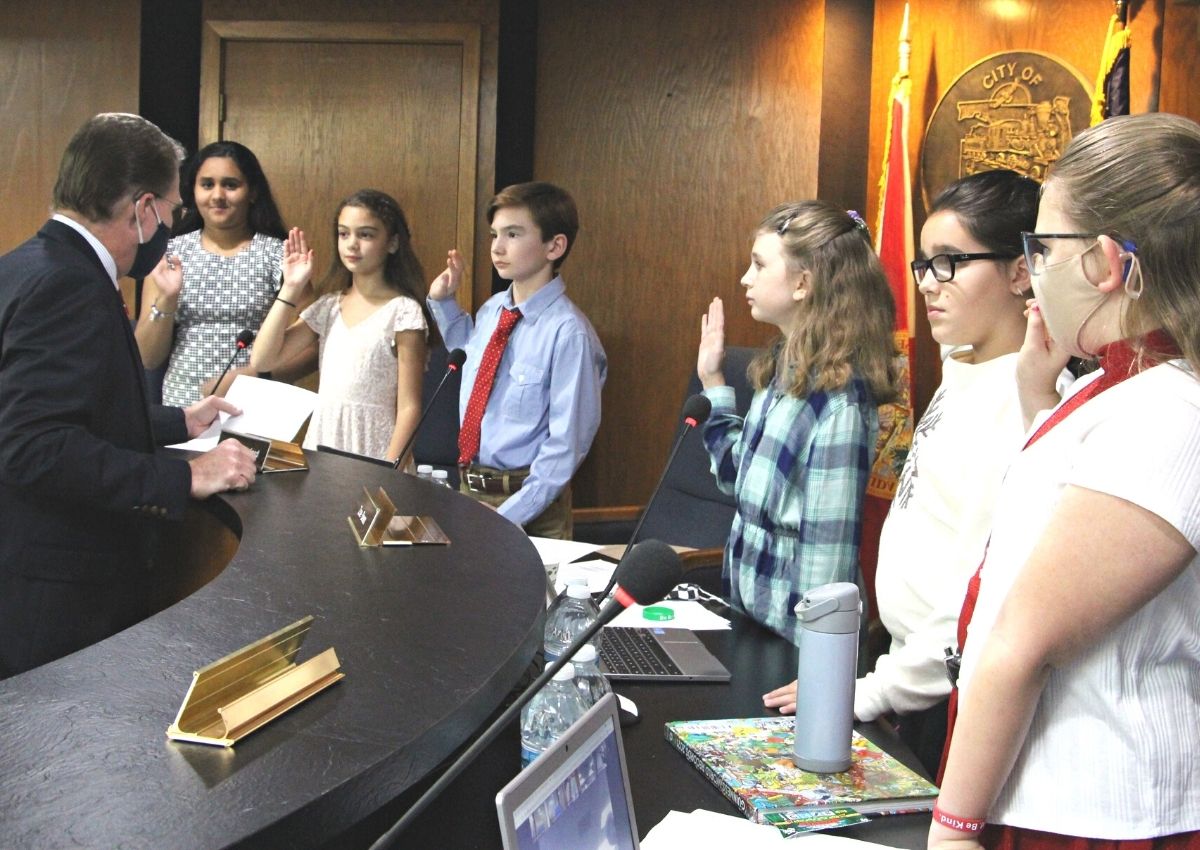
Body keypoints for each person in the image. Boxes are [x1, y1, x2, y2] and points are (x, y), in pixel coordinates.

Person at [931, 113, 1200, 850]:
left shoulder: (1169, 408)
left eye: (1042, 248)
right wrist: (1037, 392)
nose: (1033, 270)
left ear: (1105, 263)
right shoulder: (1113, 384)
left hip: (1096, 808)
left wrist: (952, 830)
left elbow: (1025, 641)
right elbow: (1053, 520)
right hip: (1042, 789)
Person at [761, 171, 1045, 774]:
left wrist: (872, 692)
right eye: (923, 264)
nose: (927, 285)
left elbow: (980, 598)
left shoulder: (1023, 403)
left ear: (1021, 271)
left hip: (944, 694)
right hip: (906, 673)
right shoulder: (965, 363)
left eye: (951, 262)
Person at [0, 113, 259, 679]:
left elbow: (65, 409)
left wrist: (177, 422)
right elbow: (35, 446)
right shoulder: (70, 284)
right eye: (170, 210)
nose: (170, 225)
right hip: (56, 593)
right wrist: (183, 477)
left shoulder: (24, 265)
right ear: (143, 210)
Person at [696, 201, 900, 646]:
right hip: (748, 619)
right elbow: (738, 480)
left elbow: (827, 560)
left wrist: (815, 669)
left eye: (759, 265)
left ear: (803, 284)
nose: (745, 279)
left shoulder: (839, 402)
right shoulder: (781, 372)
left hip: (795, 649)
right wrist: (713, 381)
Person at [428, 182, 606, 540]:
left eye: (513, 234)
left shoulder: (569, 333)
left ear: (554, 246)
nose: (497, 247)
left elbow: (566, 446)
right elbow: (473, 358)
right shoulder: (494, 309)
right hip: (471, 488)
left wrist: (507, 516)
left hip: (530, 505)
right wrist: (444, 303)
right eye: (494, 234)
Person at [251, 189, 435, 465]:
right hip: (325, 441)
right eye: (344, 233)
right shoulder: (329, 307)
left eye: (366, 235)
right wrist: (290, 288)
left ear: (393, 243)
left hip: (376, 447)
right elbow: (263, 359)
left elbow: (409, 407)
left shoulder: (404, 311)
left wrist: (390, 468)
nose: (352, 244)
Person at [135, 140, 312, 405]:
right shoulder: (170, 255)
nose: (217, 195)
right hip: (182, 407)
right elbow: (147, 357)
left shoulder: (283, 257)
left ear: (252, 192)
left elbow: (312, 346)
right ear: (193, 192)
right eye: (207, 185)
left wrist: (254, 376)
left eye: (230, 185)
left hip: (256, 407)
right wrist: (167, 299)